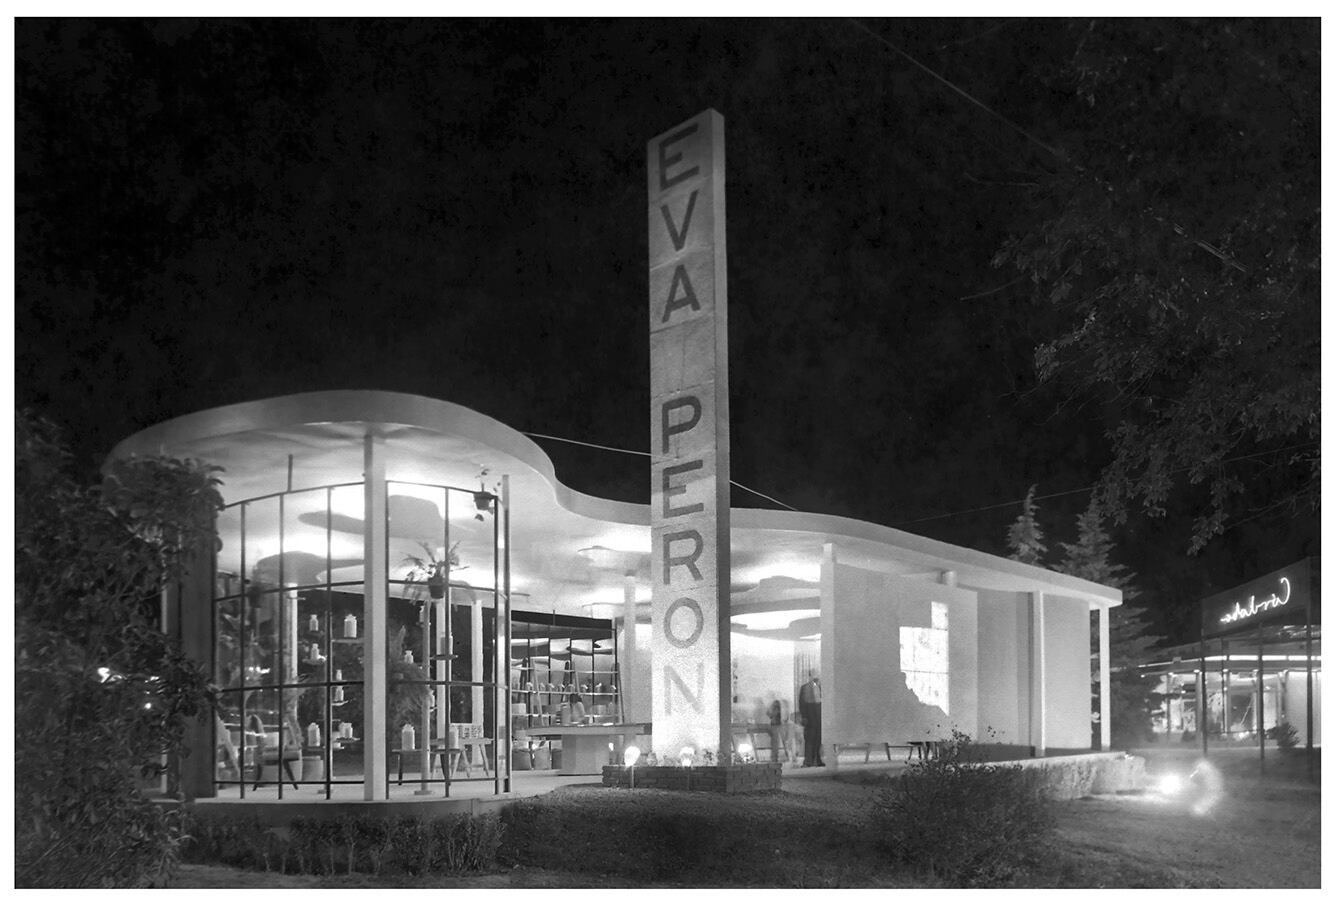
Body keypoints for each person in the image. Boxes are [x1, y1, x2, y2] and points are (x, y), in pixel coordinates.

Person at [799, 670, 823, 766]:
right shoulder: (804, 688)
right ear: (810, 676)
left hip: (819, 714)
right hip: (809, 715)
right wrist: (804, 716)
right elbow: (802, 703)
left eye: (817, 674)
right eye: (813, 674)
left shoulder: (821, 686)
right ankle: (808, 761)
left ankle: (817, 760)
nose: (815, 676)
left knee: (818, 739)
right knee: (809, 739)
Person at [767, 698, 784, 762]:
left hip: (775, 726)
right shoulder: (778, 708)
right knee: (775, 742)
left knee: (774, 743)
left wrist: (769, 711)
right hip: (776, 725)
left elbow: (771, 715)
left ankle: (774, 757)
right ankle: (774, 757)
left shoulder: (776, 708)